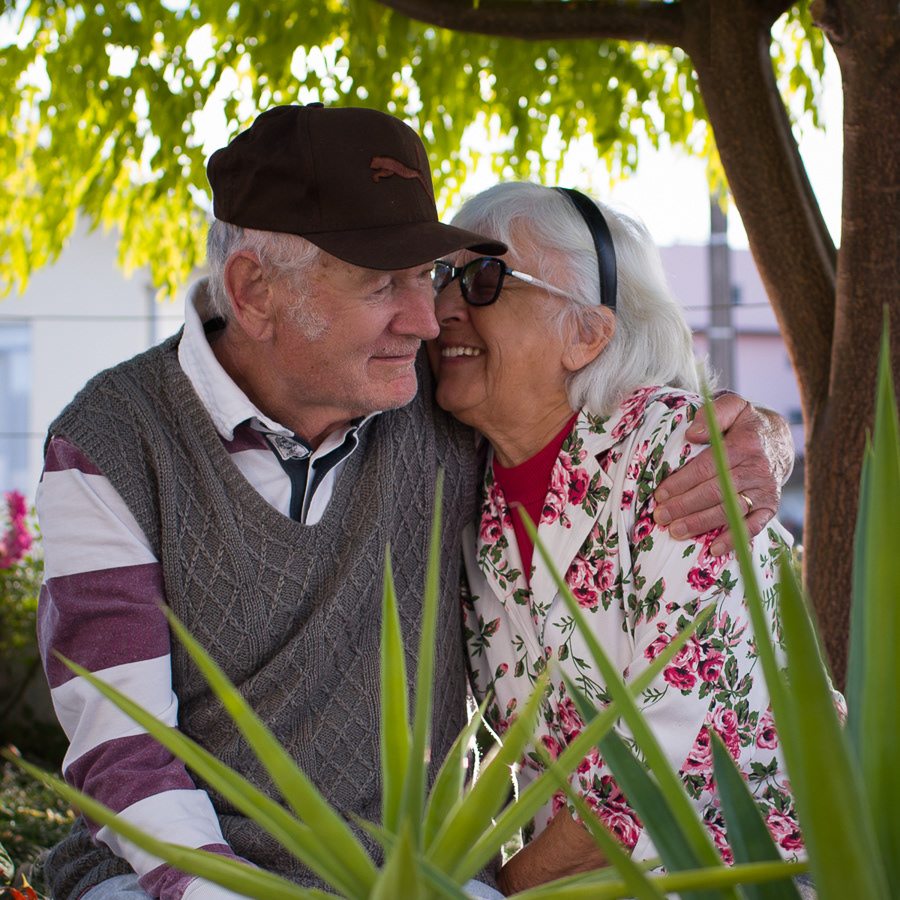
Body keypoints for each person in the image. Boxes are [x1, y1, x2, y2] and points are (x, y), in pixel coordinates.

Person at [35, 105, 791, 900]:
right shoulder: (112, 444)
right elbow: (124, 746)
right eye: (382, 283)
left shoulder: (435, 390)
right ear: (254, 291)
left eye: (433, 276)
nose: (429, 318)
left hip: (428, 877)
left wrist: (761, 439)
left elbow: (582, 394)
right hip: (189, 877)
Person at [426, 181, 839, 895]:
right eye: (441, 277)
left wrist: (499, 889)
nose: (442, 308)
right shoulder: (478, 491)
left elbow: (660, 770)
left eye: (484, 278)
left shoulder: (682, 456)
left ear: (586, 333)